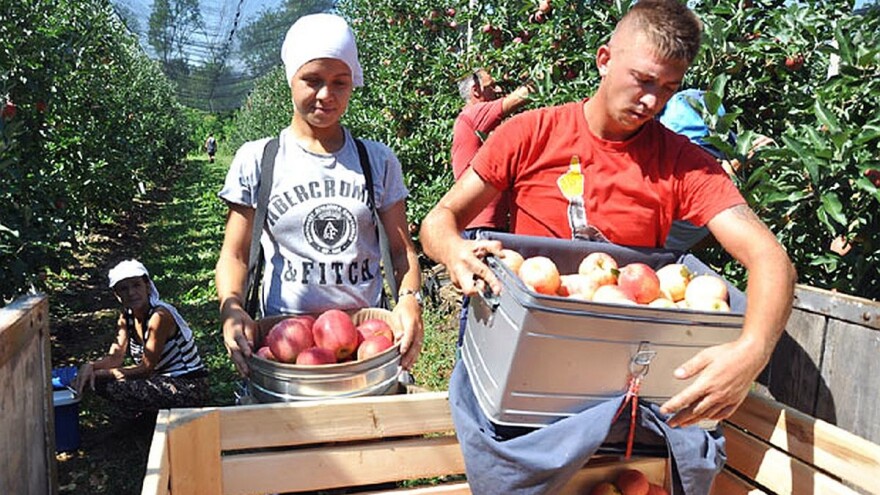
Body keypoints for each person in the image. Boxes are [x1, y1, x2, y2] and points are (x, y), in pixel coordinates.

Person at [420, 0, 797, 431]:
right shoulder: (530, 134)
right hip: (532, 355)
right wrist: (453, 250)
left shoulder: (682, 164)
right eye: (643, 80)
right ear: (604, 60)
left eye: (669, 88)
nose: (653, 100)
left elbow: (772, 261)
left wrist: (752, 351)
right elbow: (439, 219)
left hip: (620, 376)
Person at [216, 13, 424, 377]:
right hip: (285, 346)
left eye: (340, 83)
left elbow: (400, 249)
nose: (326, 95)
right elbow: (234, 253)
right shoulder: (259, 160)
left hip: (364, 340)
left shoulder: (376, 160)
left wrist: (409, 300)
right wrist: (231, 308)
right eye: (312, 80)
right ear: (290, 79)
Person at [451, 69, 533, 342]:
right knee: (478, 294)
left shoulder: (479, 125)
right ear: (476, 91)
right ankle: (468, 353)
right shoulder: (473, 116)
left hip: (485, 225)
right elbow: (520, 97)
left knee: (488, 293)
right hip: (480, 227)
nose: (497, 90)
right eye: (491, 85)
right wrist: (547, 75)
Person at [74, 259, 208, 416]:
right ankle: (149, 414)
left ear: (148, 287)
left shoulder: (159, 316)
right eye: (124, 289)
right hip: (159, 380)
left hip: (187, 384)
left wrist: (98, 374)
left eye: (136, 285)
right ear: (117, 295)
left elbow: (145, 368)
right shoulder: (126, 317)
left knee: (111, 385)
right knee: (103, 381)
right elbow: (115, 357)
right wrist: (90, 366)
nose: (131, 293)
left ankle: (153, 414)